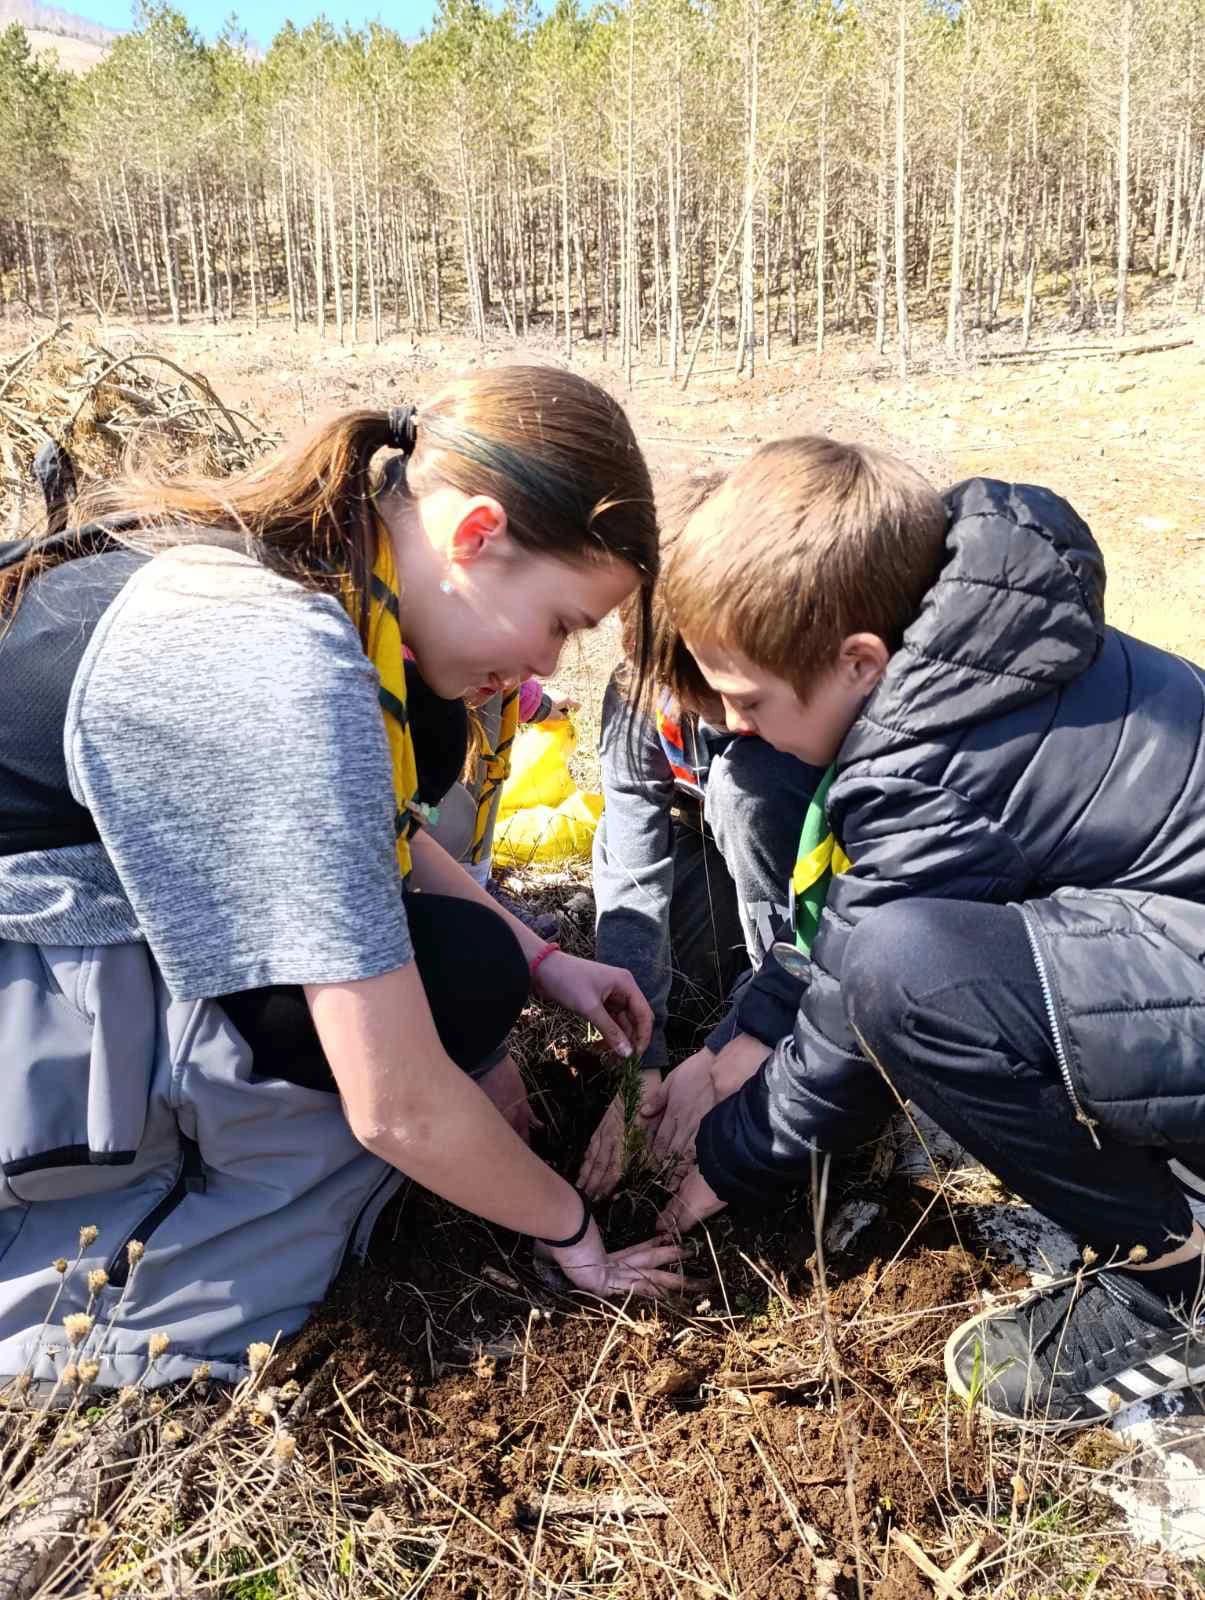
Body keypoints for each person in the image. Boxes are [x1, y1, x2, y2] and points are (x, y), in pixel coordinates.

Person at [0, 365, 693, 1393]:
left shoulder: (305, 571)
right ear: (476, 537)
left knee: (467, 965)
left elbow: (382, 838)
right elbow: (397, 1105)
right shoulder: (282, 657)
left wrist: (542, 958)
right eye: (560, 624)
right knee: (436, 1000)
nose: (546, 661)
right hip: (39, 971)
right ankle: (112, 1268)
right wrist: (570, 1224)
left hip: (77, 919)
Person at [655, 436, 1205, 1431]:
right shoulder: (967, 649)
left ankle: (1172, 1273)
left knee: (903, 973)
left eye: (745, 699)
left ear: (857, 661)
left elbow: (855, 1000)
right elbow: (848, 903)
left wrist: (726, 1159)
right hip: (1174, 939)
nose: (730, 725)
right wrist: (739, 1040)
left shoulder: (923, 762)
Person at [579, 472, 822, 1198]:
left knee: (747, 783)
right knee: (662, 975)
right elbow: (631, 868)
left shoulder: (787, 731)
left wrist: (730, 1050)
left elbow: (811, 914)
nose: (730, 713)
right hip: (716, 863)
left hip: (796, 876)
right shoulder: (638, 697)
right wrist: (639, 1061)